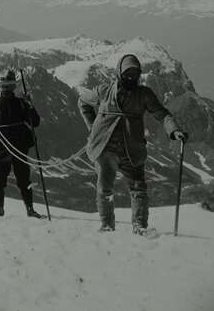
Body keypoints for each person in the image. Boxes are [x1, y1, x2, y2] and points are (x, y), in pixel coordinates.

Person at [77, 53, 187, 234]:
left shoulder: (144, 95)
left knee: (138, 187)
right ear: (119, 73)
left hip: (131, 149)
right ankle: (107, 226)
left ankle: (139, 227)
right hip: (105, 148)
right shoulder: (104, 91)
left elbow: (162, 114)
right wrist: (92, 127)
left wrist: (174, 130)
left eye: (135, 74)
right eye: (128, 74)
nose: (131, 77)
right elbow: (82, 101)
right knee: (105, 187)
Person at [0, 69, 44, 219]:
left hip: (15, 150)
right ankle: (2, 210)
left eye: (8, 86)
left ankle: (28, 209)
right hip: (6, 149)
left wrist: (30, 105)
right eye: (4, 86)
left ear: (13, 87)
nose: (6, 89)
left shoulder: (20, 103)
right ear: (0, 87)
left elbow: (35, 122)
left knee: (22, 180)